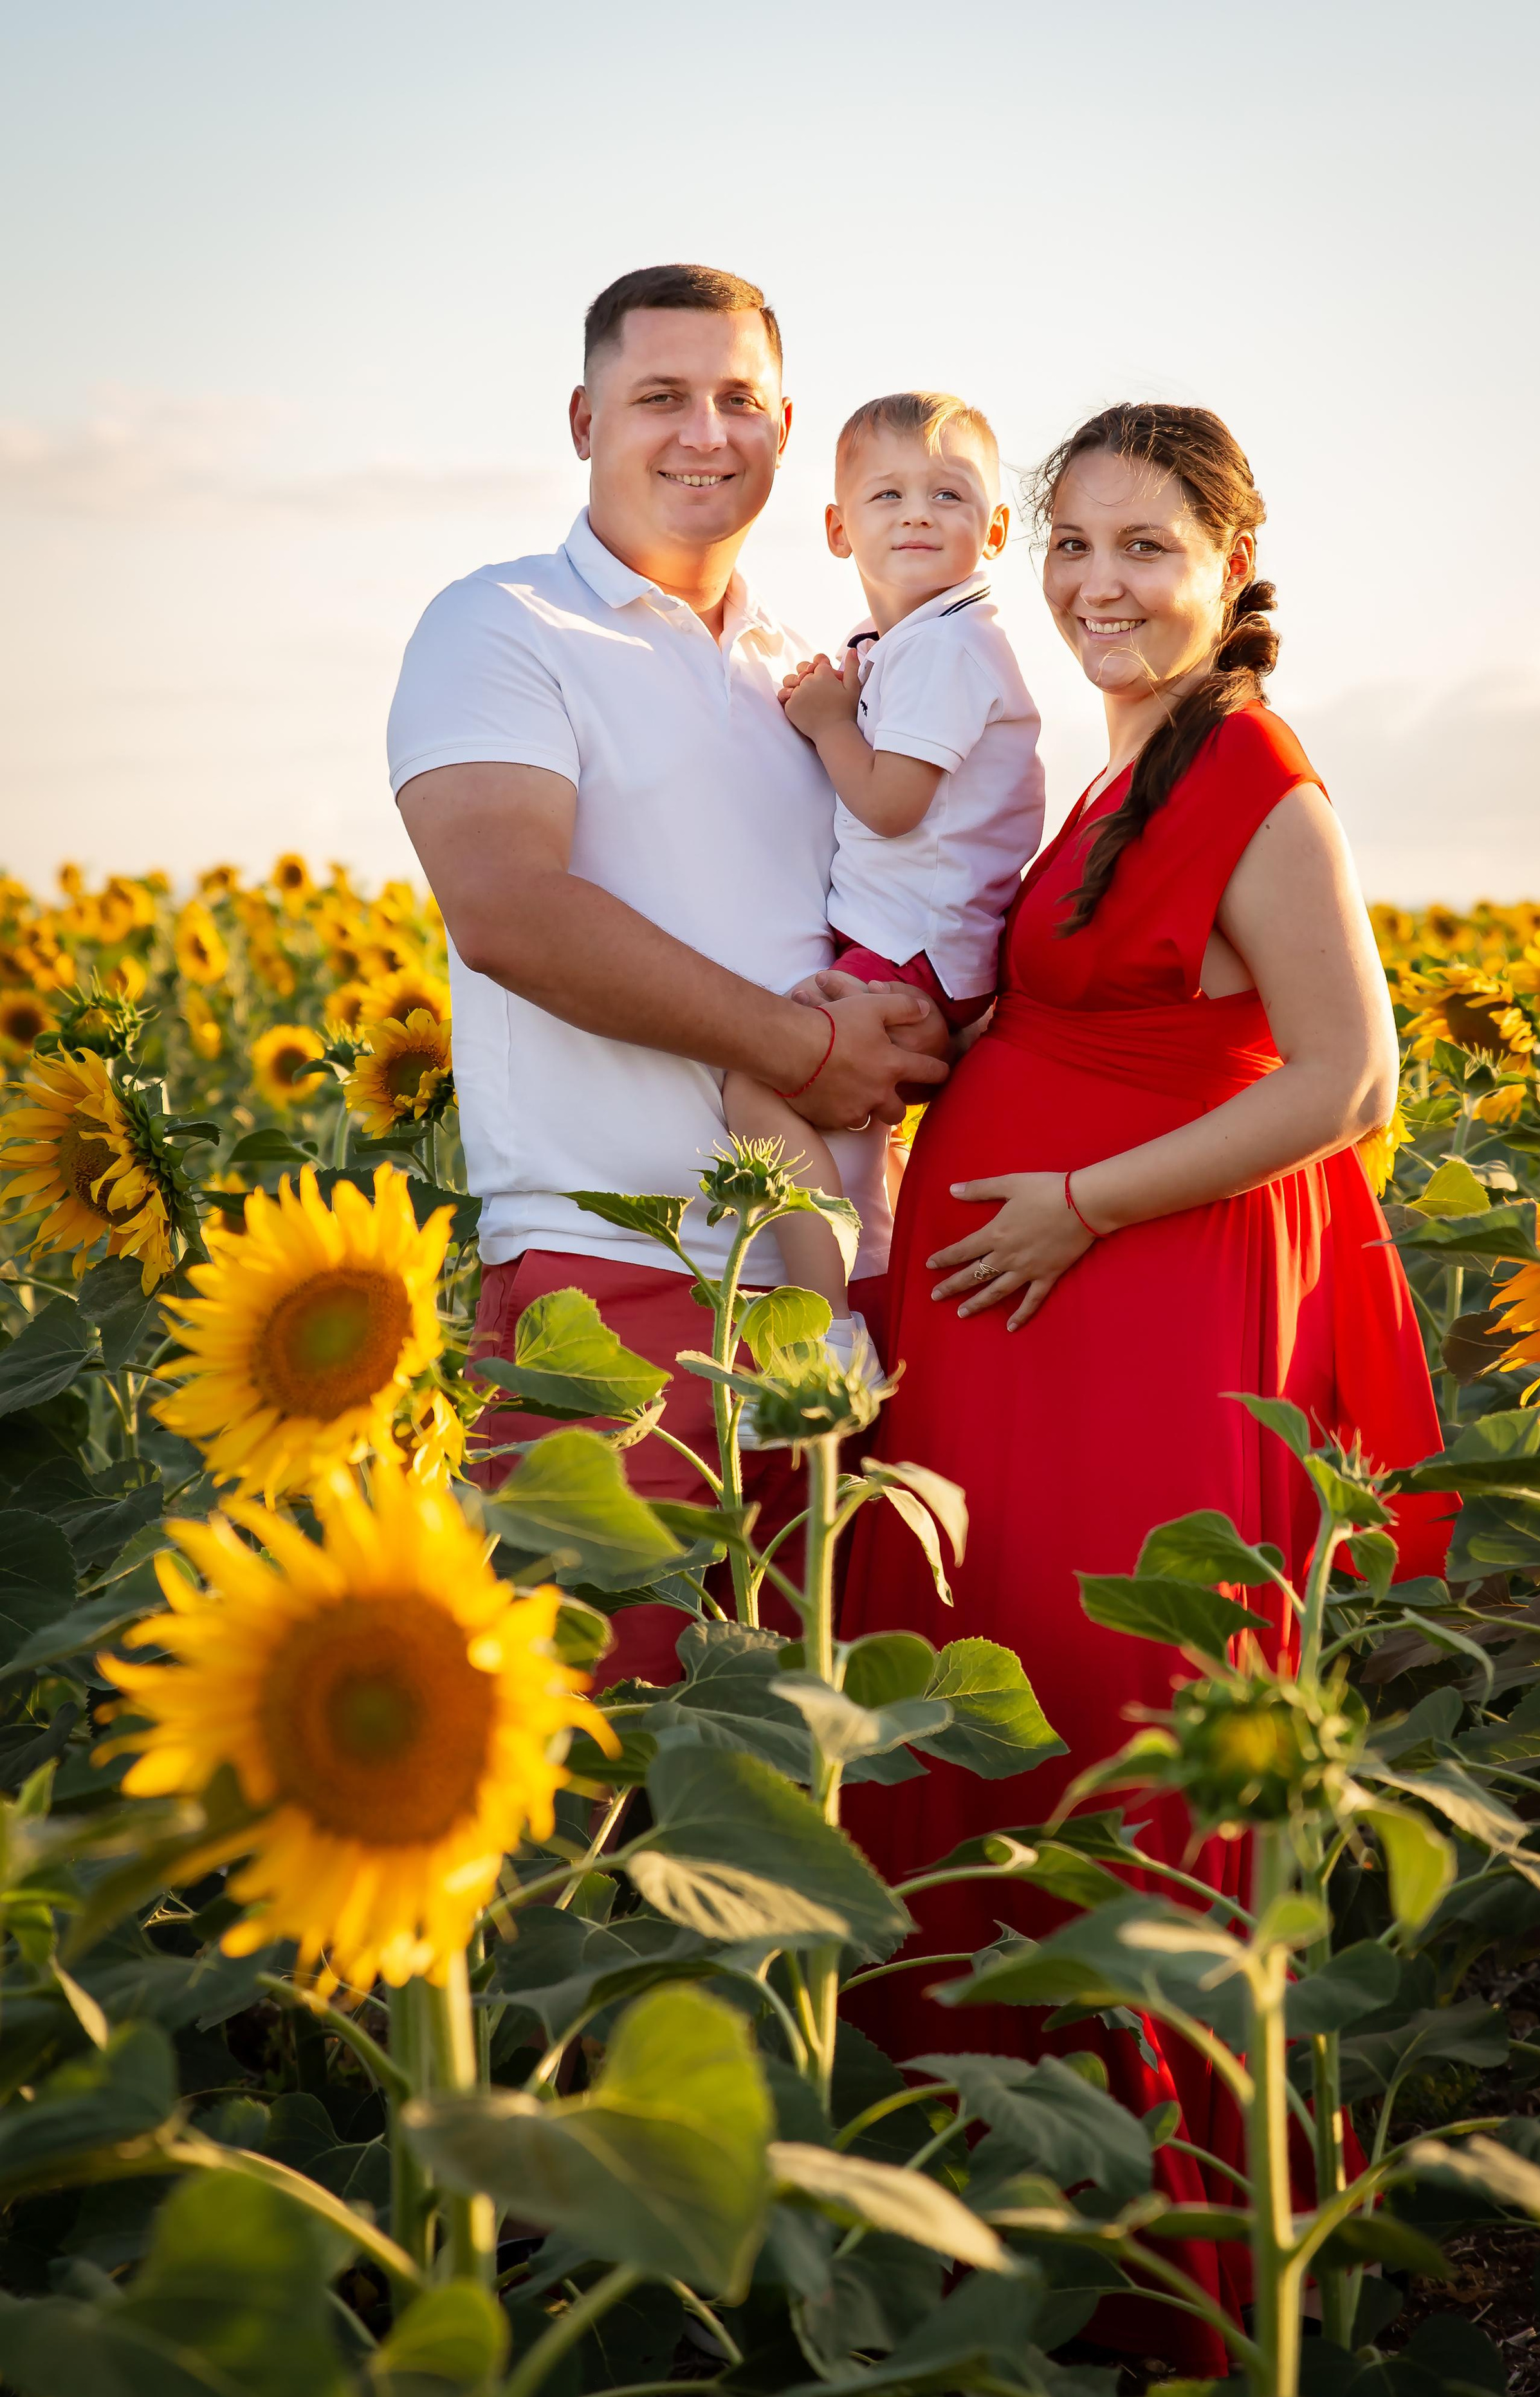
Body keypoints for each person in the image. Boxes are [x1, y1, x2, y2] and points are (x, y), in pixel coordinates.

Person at [840, 403, 1452, 2373]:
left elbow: (1349, 1082)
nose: (1103, 585)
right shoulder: (1118, 773)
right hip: (1029, 1318)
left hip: (1147, 1318)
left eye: (1149, 551)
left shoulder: (1260, 778)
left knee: (1118, 1741)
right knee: (981, 1724)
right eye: (1079, 548)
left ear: (1230, 566)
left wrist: (1080, 1205)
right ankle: (983, 2250)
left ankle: (1181, 2304)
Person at [386, 264, 947, 1684]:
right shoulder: (502, 625)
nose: (704, 431)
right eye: (659, 398)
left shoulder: (811, 679)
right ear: (583, 419)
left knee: (812, 1779)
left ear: (785, 426)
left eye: (737, 400)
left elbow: (898, 911)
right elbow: (508, 907)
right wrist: (805, 1052)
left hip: (836, 1296)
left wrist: (912, 1018)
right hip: (611, 1288)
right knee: (582, 1761)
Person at [723, 392, 1043, 1367]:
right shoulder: (910, 644)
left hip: (916, 949)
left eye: (947, 495)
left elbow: (894, 804)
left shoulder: (950, 647)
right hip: (923, 940)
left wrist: (825, 724)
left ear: (990, 531)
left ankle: (823, 1322)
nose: (915, 514)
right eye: (887, 494)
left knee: (761, 1084)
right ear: (837, 528)